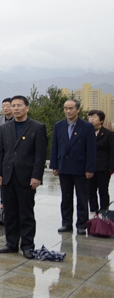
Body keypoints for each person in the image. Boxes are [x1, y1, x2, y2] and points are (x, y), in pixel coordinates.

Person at [0, 95, 47, 258]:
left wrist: (36, 176)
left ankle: (27, 245)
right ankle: (11, 243)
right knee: (10, 212)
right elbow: (0, 152)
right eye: (13, 105)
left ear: (27, 108)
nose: (15, 108)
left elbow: (40, 155)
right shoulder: (5, 128)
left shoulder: (37, 127)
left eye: (19, 105)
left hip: (26, 177)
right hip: (7, 176)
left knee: (26, 213)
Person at [50, 99, 96, 234]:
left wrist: (90, 168)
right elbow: (55, 147)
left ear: (78, 109)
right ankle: (66, 223)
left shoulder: (87, 127)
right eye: (66, 108)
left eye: (71, 108)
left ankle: (81, 224)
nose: (68, 111)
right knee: (66, 198)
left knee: (82, 198)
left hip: (80, 168)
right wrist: (55, 165)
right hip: (64, 166)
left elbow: (91, 149)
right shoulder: (59, 125)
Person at [87, 110, 114, 214]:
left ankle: (104, 211)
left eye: (94, 117)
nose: (91, 119)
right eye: (90, 117)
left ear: (101, 120)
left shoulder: (109, 134)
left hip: (103, 168)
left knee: (103, 190)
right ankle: (93, 211)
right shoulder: (86, 133)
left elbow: (112, 152)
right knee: (90, 191)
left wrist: (111, 168)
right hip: (89, 168)